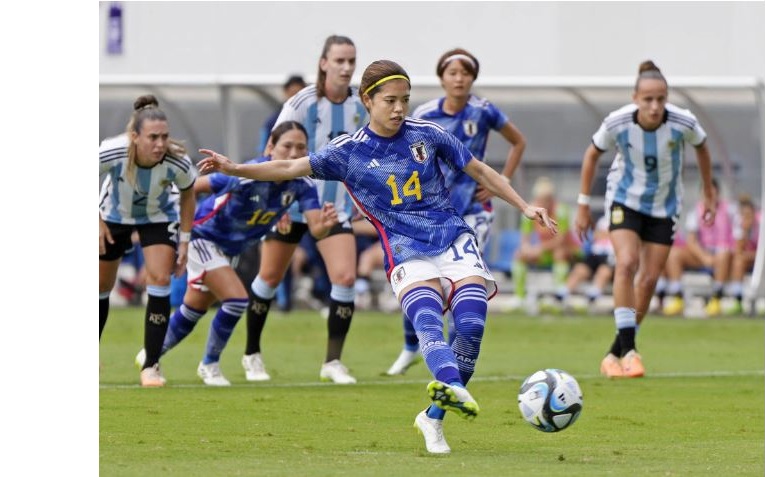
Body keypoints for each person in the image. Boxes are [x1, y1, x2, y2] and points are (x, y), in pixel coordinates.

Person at [197, 59, 556, 454]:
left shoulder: (428, 134)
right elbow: (286, 166)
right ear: (367, 100)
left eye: (404, 99)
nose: (399, 108)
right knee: (430, 321)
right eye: (390, 100)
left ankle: (432, 418)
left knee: (471, 325)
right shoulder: (347, 153)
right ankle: (452, 385)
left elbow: (481, 171)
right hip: (404, 249)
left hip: (453, 238)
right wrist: (236, 168)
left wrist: (524, 206)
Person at [137, 121, 337, 385]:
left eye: (301, 147)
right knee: (236, 299)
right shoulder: (245, 174)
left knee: (194, 309)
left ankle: (150, 355)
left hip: (228, 251)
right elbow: (193, 187)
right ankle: (209, 364)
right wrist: (167, 217)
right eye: (287, 145)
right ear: (270, 147)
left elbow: (316, 229)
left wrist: (325, 225)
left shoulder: (301, 184)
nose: (293, 153)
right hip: (201, 238)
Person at [386, 47, 528, 375]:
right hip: (433, 211)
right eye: (452, 73)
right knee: (423, 280)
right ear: (442, 78)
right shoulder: (423, 114)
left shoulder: (484, 111)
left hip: (475, 209)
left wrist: (500, 181)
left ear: (473, 78)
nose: (459, 78)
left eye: (465, 73)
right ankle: (411, 346)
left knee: (463, 281)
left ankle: (453, 354)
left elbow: (518, 141)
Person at [574, 60, 715, 379]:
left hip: (665, 205)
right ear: (635, 97)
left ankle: (616, 352)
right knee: (625, 263)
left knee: (650, 280)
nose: (654, 106)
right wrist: (583, 204)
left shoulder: (683, 122)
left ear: (667, 99)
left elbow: (703, 148)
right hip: (625, 198)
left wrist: (708, 192)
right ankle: (631, 352)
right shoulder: (617, 122)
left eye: (661, 99)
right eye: (648, 99)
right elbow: (592, 154)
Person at [247, 35, 367, 384]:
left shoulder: (363, 102)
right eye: (339, 61)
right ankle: (252, 354)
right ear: (324, 63)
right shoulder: (302, 102)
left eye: (351, 61)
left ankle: (332, 362)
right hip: (291, 203)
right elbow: (277, 150)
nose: (346, 68)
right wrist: (275, 201)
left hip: (332, 208)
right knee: (269, 278)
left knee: (344, 277)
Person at [99, 95, 197, 387]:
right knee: (101, 287)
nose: (159, 144)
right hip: (112, 216)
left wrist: (184, 240)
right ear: (134, 137)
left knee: (159, 279)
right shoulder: (112, 151)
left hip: (158, 216)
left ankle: (151, 366)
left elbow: (189, 193)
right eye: (153, 137)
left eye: (164, 137)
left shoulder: (177, 160)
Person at [662, 178, 735, 317]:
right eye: (706, 193)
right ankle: (677, 297)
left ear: (718, 193)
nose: (709, 196)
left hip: (724, 255)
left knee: (723, 254)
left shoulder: (730, 209)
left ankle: (716, 298)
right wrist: (704, 257)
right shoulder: (695, 212)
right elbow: (691, 241)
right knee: (674, 254)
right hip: (703, 254)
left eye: (712, 192)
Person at [509, 177, 578, 314]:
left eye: (547, 198)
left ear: (552, 198)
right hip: (546, 252)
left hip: (568, 251)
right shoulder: (531, 211)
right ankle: (520, 297)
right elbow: (525, 239)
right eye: (541, 198)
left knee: (560, 253)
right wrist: (527, 249)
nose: (544, 202)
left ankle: (560, 298)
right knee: (519, 254)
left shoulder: (561, 210)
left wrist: (539, 249)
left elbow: (561, 240)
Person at [565, 215, 615, 312]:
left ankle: (594, 294)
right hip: (596, 253)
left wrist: (605, 234)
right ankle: (564, 292)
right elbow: (596, 235)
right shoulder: (603, 220)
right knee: (580, 268)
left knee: (604, 270)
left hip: (611, 253)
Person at [727, 194, 761, 314]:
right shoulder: (740, 225)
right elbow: (739, 250)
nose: (746, 218)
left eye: (749, 215)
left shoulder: (763, 222)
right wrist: (745, 231)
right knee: (738, 261)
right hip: (752, 258)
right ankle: (737, 299)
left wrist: (752, 256)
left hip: (762, 259)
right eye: (743, 215)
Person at [258, 74, 307, 155]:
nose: (296, 99)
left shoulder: (312, 118)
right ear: (285, 92)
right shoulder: (273, 120)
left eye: (299, 95)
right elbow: (263, 148)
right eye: (293, 94)